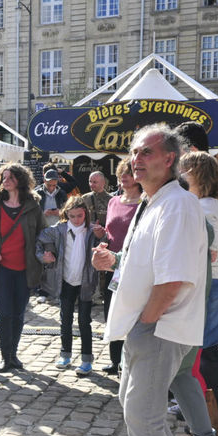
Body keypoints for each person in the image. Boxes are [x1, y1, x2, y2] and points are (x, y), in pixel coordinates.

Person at [93, 124, 207, 436]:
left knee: (142, 414)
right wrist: (115, 262)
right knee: (138, 407)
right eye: (134, 152)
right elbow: (147, 260)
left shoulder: (176, 204)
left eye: (145, 153)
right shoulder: (154, 201)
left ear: (169, 159)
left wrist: (147, 320)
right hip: (147, 323)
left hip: (159, 326)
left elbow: (174, 277)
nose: (136, 160)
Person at [179, 151, 218, 436]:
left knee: (207, 354)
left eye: (185, 170)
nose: (180, 175)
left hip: (204, 284)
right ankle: (211, 414)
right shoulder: (209, 204)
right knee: (202, 353)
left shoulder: (202, 207)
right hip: (207, 282)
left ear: (196, 174)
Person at [0, 164, 45, 372]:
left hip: (25, 268)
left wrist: (47, 252)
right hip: (1, 269)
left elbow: (43, 235)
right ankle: (5, 357)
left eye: (10, 177)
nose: (5, 180)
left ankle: (13, 354)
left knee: (18, 314)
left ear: (20, 180)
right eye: (3, 177)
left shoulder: (33, 206)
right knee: (5, 313)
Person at [37, 196, 101, 375]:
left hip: (85, 281)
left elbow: (104, 245)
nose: (76, 220)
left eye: (79, 216)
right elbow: (40, 240)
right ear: (66, 215)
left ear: (85, 214)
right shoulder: (59, 230)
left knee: (84, 321)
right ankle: (65, 354)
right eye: (72, 216)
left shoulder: (91, 231)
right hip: (65, 280)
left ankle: (86, 359)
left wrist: (101, 237)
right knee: (65, 319)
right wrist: (44, 256)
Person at [100, 159, 143, 375]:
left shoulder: (145, 202)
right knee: (112, 312)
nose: (123, 176)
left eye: (128, 172)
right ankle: (114, 360)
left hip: (134, 266)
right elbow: (110, 232)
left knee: (132, 314)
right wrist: (103, 242)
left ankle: (130, 361)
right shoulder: (113, 201)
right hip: (112, 266)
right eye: (121, 173)